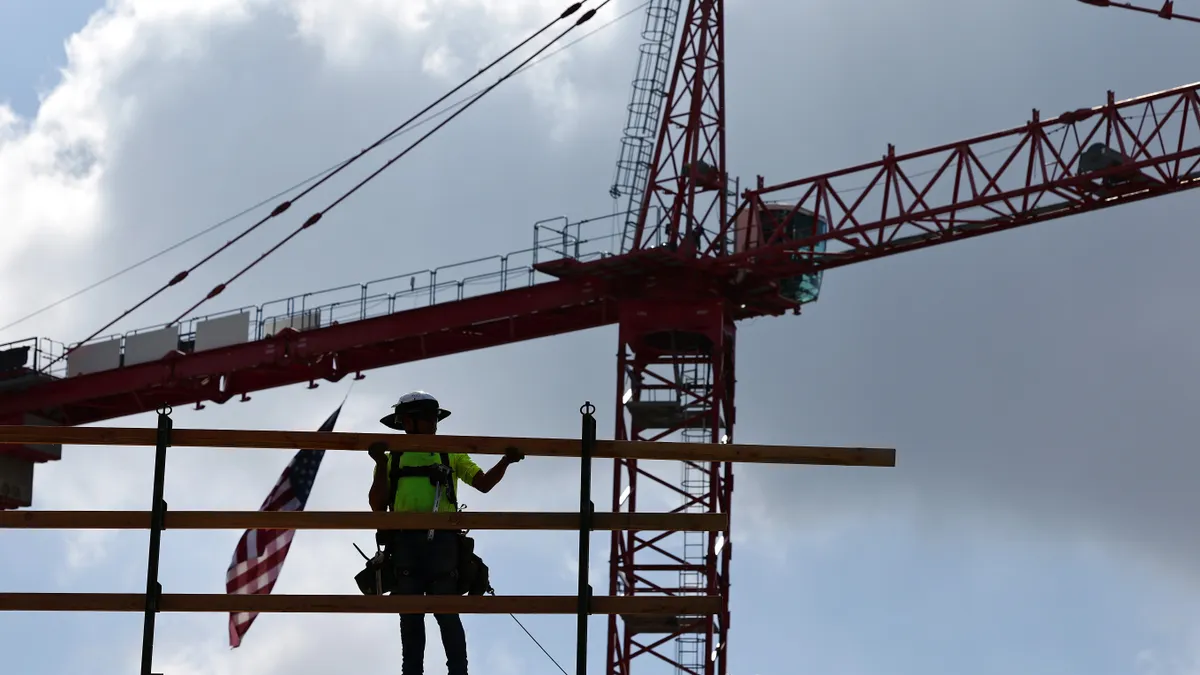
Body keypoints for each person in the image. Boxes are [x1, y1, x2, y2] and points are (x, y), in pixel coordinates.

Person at [367, 390, 523, 675]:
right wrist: (379, 464)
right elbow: (378, 505)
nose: (434, 423)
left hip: (441, 543)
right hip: (405, 542)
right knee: (411, 615)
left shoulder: (450, 451)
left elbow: (484, 484)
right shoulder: (394, 458)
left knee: (446, 611)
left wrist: (506, 461)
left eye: (434, 417)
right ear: (407, 423)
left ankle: (458, 673)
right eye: (428, 418)